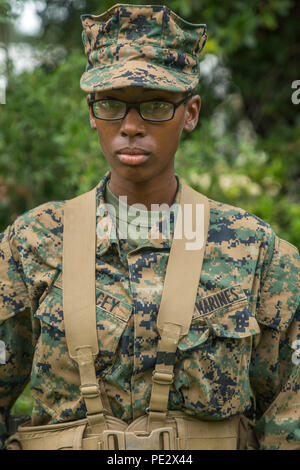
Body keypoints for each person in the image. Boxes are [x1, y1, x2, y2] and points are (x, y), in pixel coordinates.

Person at [0, 3, 299, 451]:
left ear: (191, 112)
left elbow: (289, 413)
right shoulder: (31, 243)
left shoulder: (255, 250)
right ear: (90, 111)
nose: (132, 126)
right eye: (111, 105)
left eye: (156, 105)